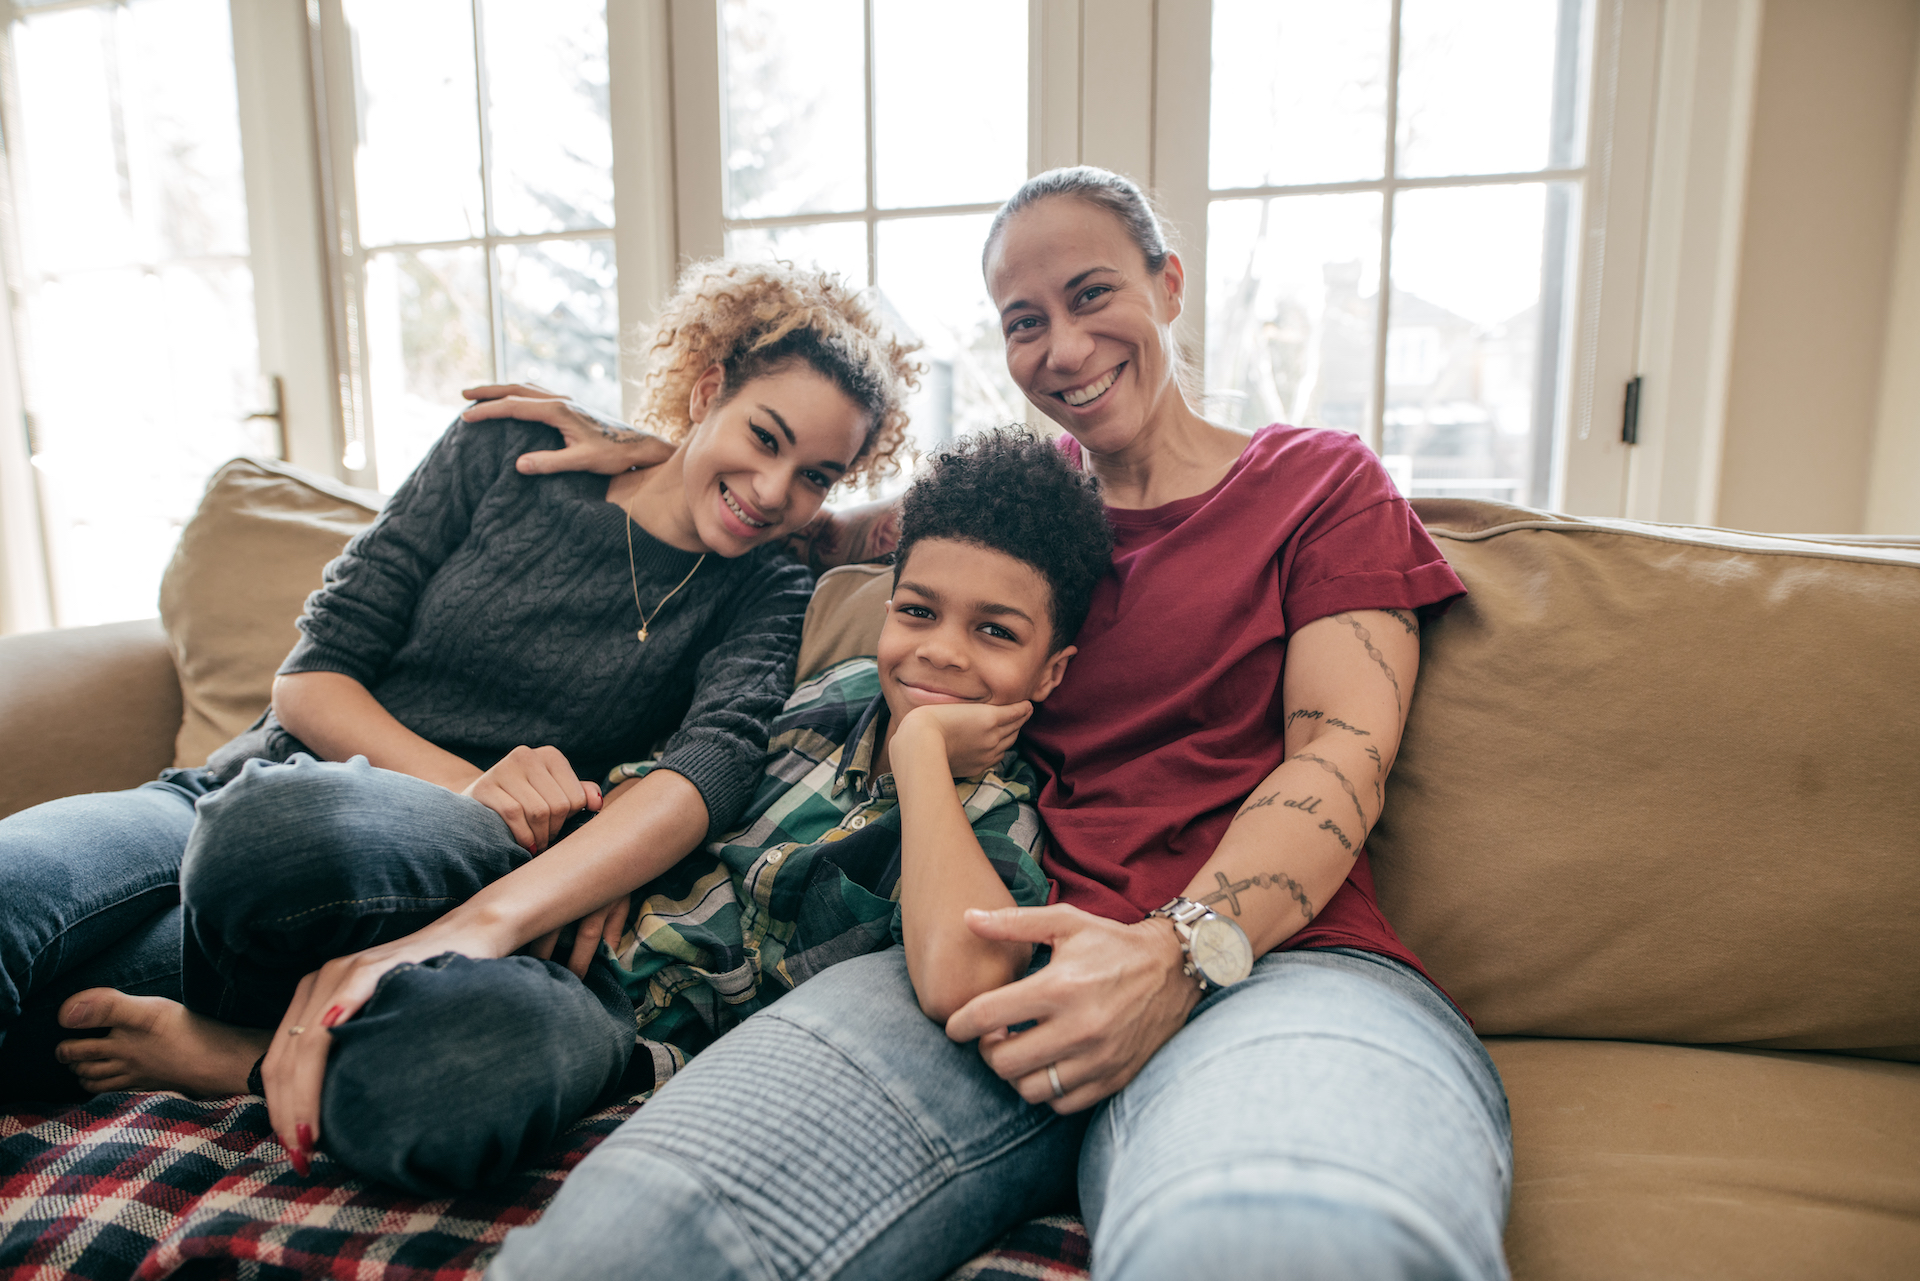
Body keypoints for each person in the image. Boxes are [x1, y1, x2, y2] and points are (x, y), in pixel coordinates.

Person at [485, 167, 1512, 1281]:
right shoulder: (1013, 510)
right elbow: (797, 517)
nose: (1062, 349)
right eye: (1026, 322)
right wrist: (643, 447)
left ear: (1169, 286)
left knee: (1290, 1244)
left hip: (1270, 965)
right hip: (974, 955)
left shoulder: (1315, 482)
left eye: (1092, 295)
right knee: (621, 1244)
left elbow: (1340, 755)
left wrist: (1172, 956)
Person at [0, 260, 919, 1196]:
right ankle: (265, 1015)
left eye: (815, 476)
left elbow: (711, 765)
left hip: (453, 875)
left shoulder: (767, 586)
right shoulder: (508, 450)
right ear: (708, 386)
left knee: (129, 989)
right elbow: (312, 678)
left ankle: (236, 1052)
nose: (770, 490)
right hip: (256, 793)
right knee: (41, 888)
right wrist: (473, 788)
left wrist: (512, 836)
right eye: (763, 437)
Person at [604, 428, 1112, 1084]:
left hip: (646, 1049)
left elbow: (966, 982)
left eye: (995, 630)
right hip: (596, 961)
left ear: (1050, 672)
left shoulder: (1000, 814)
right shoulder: (830, 693)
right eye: (919, 611)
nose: (942, 651)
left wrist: (922, 751)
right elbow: (675, 773)